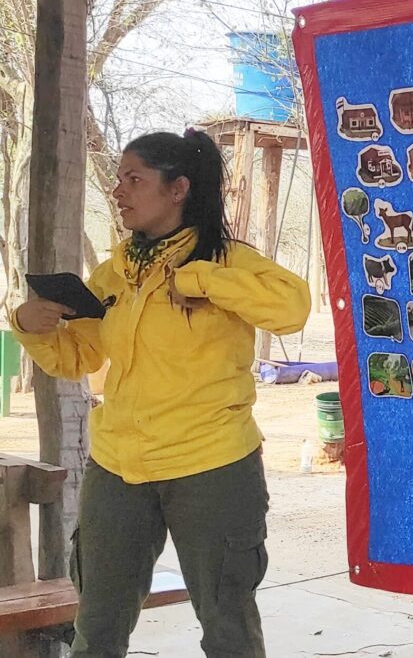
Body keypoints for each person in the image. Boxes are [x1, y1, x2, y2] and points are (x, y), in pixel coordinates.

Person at [12, 129, 311, 657]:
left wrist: (202, 281)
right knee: (97, 625)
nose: (119, 191)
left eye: (134, 179)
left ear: (177, 190)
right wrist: (32, 327)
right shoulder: (116, 272)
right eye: (118, 180)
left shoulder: (226, 260)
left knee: (227, 626)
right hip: (118, 467)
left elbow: (291, 308)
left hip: (211, 465)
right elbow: (80, 358)